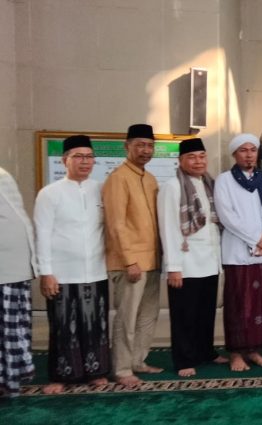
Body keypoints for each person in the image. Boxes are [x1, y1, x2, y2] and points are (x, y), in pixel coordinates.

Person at [34, 135, 110, 394]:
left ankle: (96, 372)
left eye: (89, 157)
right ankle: (61, 375)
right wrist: (46, 272)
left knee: (95, 324)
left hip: (96, 271)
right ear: (64, 160)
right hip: (62, 273)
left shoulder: (101, 189)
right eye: (78, 156)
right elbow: (42, 234)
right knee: (63, 326)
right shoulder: (49, 193)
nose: (85, 162)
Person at [157, 138, 226, 377]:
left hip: (209, 261)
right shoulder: (172, 186)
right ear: (180, 160)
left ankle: (205, 352)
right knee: (184, 315)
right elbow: (168, 228)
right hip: (186, 264)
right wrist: (173, 266)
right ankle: (184, 359)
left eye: (202, 156)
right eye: (192, 157)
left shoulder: (209, 183)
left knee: (206, 312)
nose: (198, 161)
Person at [103, 123, 163, 387]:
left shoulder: (150, 179)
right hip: (130, 263)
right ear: (126, 146)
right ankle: (122, 368)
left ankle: (138, 360)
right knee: (127, 317)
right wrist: (130, 260)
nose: (145, 150)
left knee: (148, 315)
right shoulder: (118, 178)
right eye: (140, 145)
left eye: (149, 145)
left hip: (152, 260)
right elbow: (116, 224)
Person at [214, 133, 262, 372]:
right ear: (234, 154)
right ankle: (236, 353)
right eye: (243, 150)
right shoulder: (224, 180)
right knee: (238, 305)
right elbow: (227, 217)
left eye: (253, 150)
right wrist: (256, 239)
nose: (249, 155)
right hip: (237, 254)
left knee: (260, 304)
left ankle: (254, 350)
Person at [0, 166, 37, 397]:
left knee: (9, 329)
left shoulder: (2, 176)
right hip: (12, 267)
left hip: (10, 268)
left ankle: (8, 380)